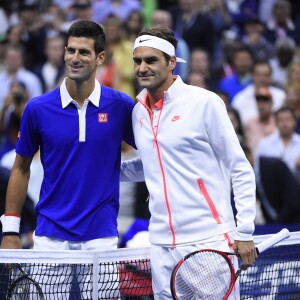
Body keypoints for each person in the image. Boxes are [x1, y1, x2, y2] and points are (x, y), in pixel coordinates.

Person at [0, 20, 135, 298]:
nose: (75, 58)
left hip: (102, 236)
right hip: (50, 236)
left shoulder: (121, 106)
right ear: (63, 52)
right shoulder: (38, 108)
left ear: (100, 58)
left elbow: (154, 152)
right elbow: (21, 167)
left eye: (83, 52)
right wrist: (10, 231)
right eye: (70, 50)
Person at [121, 25, 257, 299]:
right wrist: (100, 171)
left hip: (208, 240)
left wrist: (244, 230)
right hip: (160, 244)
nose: (142, 67)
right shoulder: (137, 112)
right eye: (137, 61)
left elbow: (239, 167)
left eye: (151, 60)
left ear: (172, 62)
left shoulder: (204, 102)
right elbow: (151, 164)